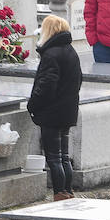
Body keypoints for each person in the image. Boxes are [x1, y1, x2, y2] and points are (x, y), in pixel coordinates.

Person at [28, 14, 83, 201]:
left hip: (52, 113)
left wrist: (32, 104)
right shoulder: (71, 51)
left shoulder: (51, 54)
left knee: (53, 157)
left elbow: (46, 86)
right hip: (67, 111)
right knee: (64, 156)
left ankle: (59, 192)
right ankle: (68, 190)